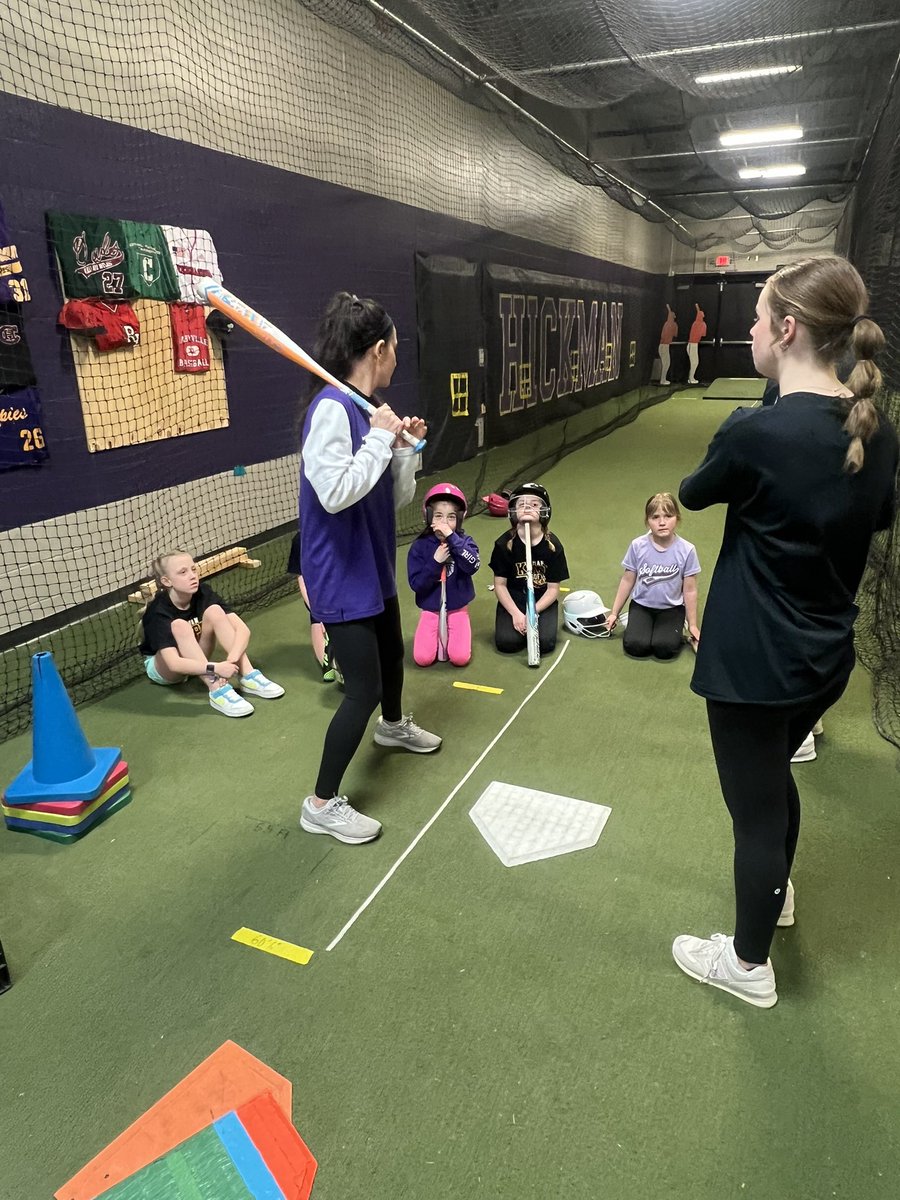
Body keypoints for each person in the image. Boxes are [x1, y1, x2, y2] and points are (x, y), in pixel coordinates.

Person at [672, 255, 899, 1008]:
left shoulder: (754, 432)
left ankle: (746, 964)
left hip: (751, 664)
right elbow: (882, 511)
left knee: (756, 811)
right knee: (775, 785)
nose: (749, 328)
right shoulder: (874, 429)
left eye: (760, 318)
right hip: (823, 661)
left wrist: (759, 421)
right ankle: (776, 897)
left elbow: (692, 493)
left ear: (789, 329)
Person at [298, 291, 440, 846]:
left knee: (392, 659)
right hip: (340, 571)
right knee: (362, 688)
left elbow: (393, 497)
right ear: (378, 349)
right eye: (396, 349)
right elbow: (334, 493)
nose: (398, 360)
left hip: (373, 561)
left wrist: (405, 450)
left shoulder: (364, 411)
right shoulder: (333, 409)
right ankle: (321, 802)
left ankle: (393, 726)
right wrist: (381, 436)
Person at [139, 550, 285, 717]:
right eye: (183, 572)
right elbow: (173, 663)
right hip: (166, 669)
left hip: (195, 656)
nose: (192, 576)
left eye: (193, 569)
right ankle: (217, 690)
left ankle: (249, 676)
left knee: (215, 611)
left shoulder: (203, 592)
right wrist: (215, 668)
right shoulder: (158, 611)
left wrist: (231, 661)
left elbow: (243, 630)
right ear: (166, 581)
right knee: (180, 626)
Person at [604, 492, 701, 659]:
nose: (662, 522)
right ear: (647, 520)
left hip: (672, 608)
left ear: (677, 518)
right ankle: (638, 623)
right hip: (642, 606)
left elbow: (690, 590)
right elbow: (627, 580)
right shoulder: (638, 546)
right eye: (655, 517)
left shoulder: (687, 550)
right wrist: (614, 613)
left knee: (665, 649)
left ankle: (677, 627)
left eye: (668, 516)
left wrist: (693, 625)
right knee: (636, 646)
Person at [490, 482, 569, 655]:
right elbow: (500, 585)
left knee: (546, 644)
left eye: (534, 504)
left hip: (541, 600)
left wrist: (533, 612)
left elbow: (553, 589)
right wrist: (516, 614)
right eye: (521, 504)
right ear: (513, 511)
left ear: (544, 511)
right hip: (514, 599)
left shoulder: (553, 546)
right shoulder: (504, 545)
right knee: (507, 643)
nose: (527, 508)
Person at [407, 482, 480, 667]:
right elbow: (417, 584)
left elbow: (473, 565)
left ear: (459, 520)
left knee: (460, 658)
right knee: (423, 659)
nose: (444, 523)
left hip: (457, 608)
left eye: (451, 518)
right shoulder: (419, 547)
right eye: (438, 516)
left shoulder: (465, 542)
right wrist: (435, 562)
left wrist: (453, 539)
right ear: (429, 517)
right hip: (431, 609)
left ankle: (457, 629)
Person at [286, 531, 335, 682]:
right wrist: (318, 613)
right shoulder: (301, 539)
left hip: (343, 592)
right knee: (329, 669)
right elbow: (302, 580)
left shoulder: (342, 531)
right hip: (319, 598)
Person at [687, 302, 707, 385]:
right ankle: (691, 378)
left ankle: (690, 378)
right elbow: (703, 334)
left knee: (693, 362)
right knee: (694, 362)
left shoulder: (695, 323)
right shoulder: (702, 324)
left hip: (690, 345)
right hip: (693, 345)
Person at [658, 304, 677, 386]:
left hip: (662, 346)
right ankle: (662, 380)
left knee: (665, 363)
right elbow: (675, 334)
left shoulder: (666, 324)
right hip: (664, 346)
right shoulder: (673, 325)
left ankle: (663, 379)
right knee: (666, 363)